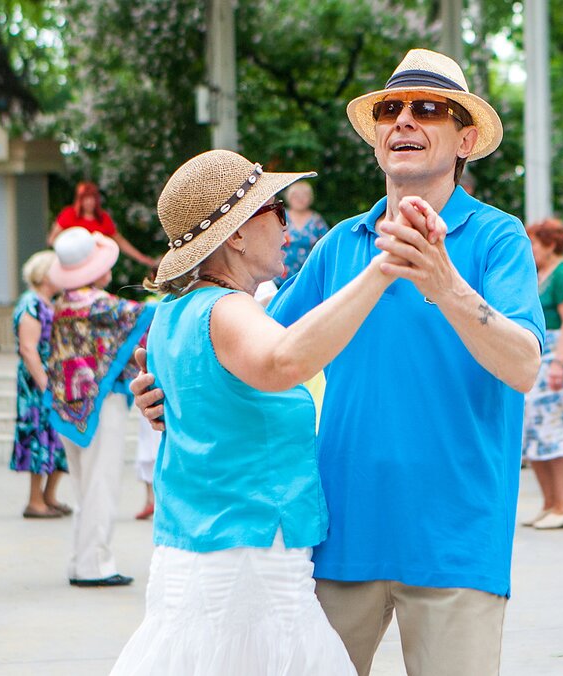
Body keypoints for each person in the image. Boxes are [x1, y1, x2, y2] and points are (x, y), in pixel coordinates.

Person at [132, 49, 543, 676]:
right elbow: (254, 349)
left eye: (427, 107)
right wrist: (168, 392)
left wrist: (445, 283)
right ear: (377, 138)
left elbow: (524, 367)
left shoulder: (497, 238)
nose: (403, 119)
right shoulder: (339, 243)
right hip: (340, 534)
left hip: (456, 538)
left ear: (465, 139)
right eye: (389, 108)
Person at [112, 148, 409, 674]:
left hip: (193, 547)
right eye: (274, 208)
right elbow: (284, 360)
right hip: (249, 556)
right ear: (238, 234)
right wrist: (382, 270)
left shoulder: (170, 314)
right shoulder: (227, 309)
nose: (288, 224)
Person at [45, 227, 154, 588]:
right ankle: (96, 565)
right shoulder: (102, 305)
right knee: (101, 484)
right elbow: (148, 314)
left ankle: (81, 560)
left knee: (84, 485)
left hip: (67, 403)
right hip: (97, 404)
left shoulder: (63, 303)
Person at [522, 218, 563, 529]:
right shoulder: (535, 272)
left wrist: (559, 362)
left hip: (556, 355)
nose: (529, 249)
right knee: (534, 434)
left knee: (557, 434)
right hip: (535, 353)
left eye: (533, 243)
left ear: (549, 244)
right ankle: (548, 503)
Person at [9, 251, 69, 519]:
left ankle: (49, 496)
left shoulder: (47, 302)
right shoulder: (31, 304)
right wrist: (45, 385)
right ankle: (35, 500)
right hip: (37, 384)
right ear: (45, 275)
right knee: (38, 436)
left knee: (56, 438)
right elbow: (28, 349)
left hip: (52, 379)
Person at [49, 181, 157, 268]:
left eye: (92, 198)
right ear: (80, 200)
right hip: (72, 265)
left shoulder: (103, 218)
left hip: (96, 266)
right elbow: (52, 240)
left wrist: (142, 258)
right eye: (86, 198)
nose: (89, 202)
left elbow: (120, 241)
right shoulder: (69, 214)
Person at [280, 180, 329, 281]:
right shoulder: (281, 216)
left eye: (304, 195)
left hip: (308, 274)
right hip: (281, 274)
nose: (300, 199)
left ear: (310, 198)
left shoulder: (316, 220)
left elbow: (327, 244)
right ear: (289, 197)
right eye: (296, 196)